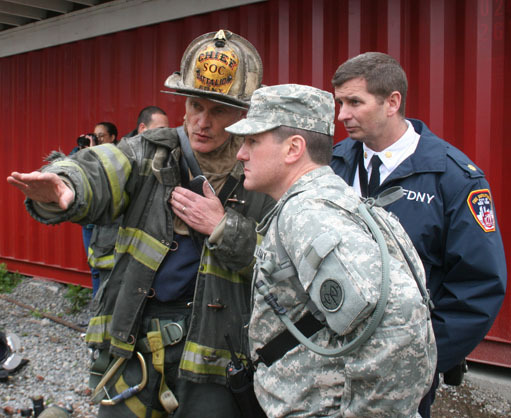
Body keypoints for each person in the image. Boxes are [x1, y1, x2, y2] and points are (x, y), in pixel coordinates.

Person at [7, 30, 273, 418]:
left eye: (218, 111)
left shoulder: (262, 171)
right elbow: (104, 169)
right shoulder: (150, 151)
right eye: (195, 105)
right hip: (136, 344)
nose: (202, 122)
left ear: (242, 112)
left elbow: (279, 263)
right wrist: (67, 186)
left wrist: (223, 227)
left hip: (218, 357)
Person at [227, 84, 436, 417]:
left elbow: (401, 323)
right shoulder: (331, 199)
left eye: (252, 141)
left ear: (293, 148)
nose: (241, 153)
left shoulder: (308, 214)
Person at [329, 52, 507, 417]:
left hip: (402, 375)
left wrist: (421, 357)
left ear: (392, 102)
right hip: (330, 365)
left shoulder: (453, 179)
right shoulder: (333, 165)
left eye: (354, 102)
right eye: (339, 102)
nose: (341, 115)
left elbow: (479, 285)